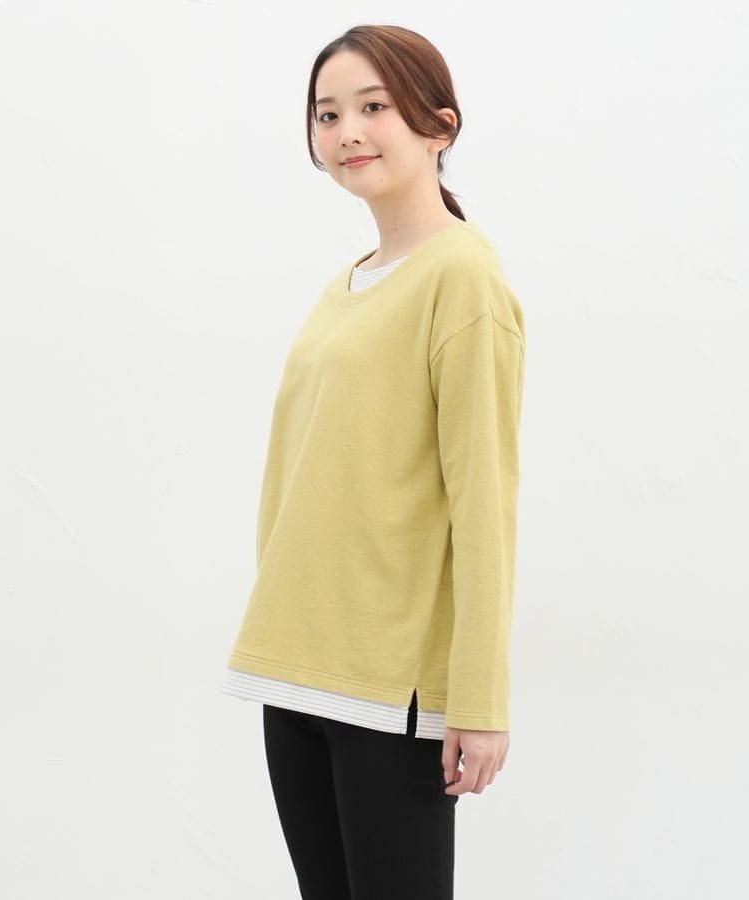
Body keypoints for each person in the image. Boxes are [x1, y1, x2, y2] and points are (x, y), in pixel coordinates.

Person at [221, 23, 526, 900]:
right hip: (294, 665)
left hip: (390, 684)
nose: (347, 131)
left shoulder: (462, 279)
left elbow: (483, 500)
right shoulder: (346, 284)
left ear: (439, 124)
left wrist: (479, 697)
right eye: (327, 114)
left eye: (373, 106)